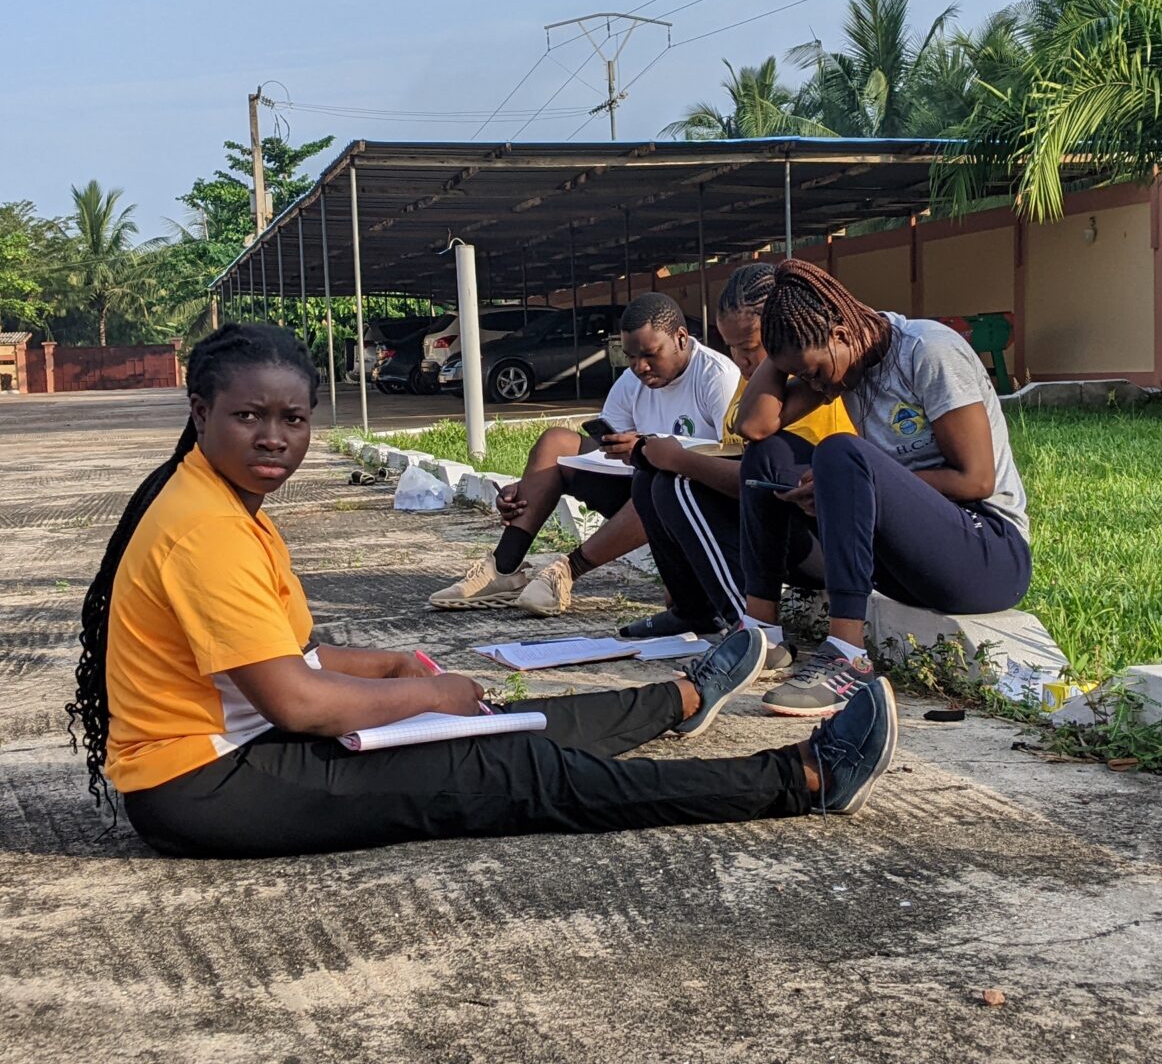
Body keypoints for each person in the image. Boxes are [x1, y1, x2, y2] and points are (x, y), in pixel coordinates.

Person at [65, 321, 899, 859]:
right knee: (514, 771)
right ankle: (802, 780)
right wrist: (426, 691)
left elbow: (293, 653)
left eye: (293, 419)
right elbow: (298, 703)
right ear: (202, 409)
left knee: (502, 720)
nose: (276, 438)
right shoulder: (204, 526)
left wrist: (391, 668)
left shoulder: (219, 500)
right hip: (209, 785)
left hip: (233, 751)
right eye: (252, 417)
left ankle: (678, 700)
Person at [732, 259, 1033, 718]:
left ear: (840, 332)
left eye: (814, 371)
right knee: (766, 456)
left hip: (987, 552)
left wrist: (856, 483)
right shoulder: (842, 364)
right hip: (905, 557)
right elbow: (754, 426)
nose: (816, 385)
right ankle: (762, 633)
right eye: (804, 376)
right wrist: (778, 348)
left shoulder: (927, 352)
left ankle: (847, 658)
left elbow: (977, 479)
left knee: (839, 452)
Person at [428, 292, 737, 618]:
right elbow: (610, 444)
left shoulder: (716, 378)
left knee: (656, 477)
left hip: (693, 499)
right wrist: (528, 486)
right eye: (630, 356)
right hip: (640, 487)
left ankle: (565, 572)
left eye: (650, 354)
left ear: (681, 338)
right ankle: (502, 570)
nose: (640, 367)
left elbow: (731, 465)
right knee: (556, 443)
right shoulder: (635, 379)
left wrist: (654, 455)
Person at [625, 263, 854, 647]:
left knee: (678, 484)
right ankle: (691, 609)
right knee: (650, 478)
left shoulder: (806, 384)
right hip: (773, 536)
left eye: (750, 346)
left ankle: (751, 630)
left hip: (820, 539)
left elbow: (767, 483)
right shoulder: (749, 383)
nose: (740, 358)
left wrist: (682, 460)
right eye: (729, 345)